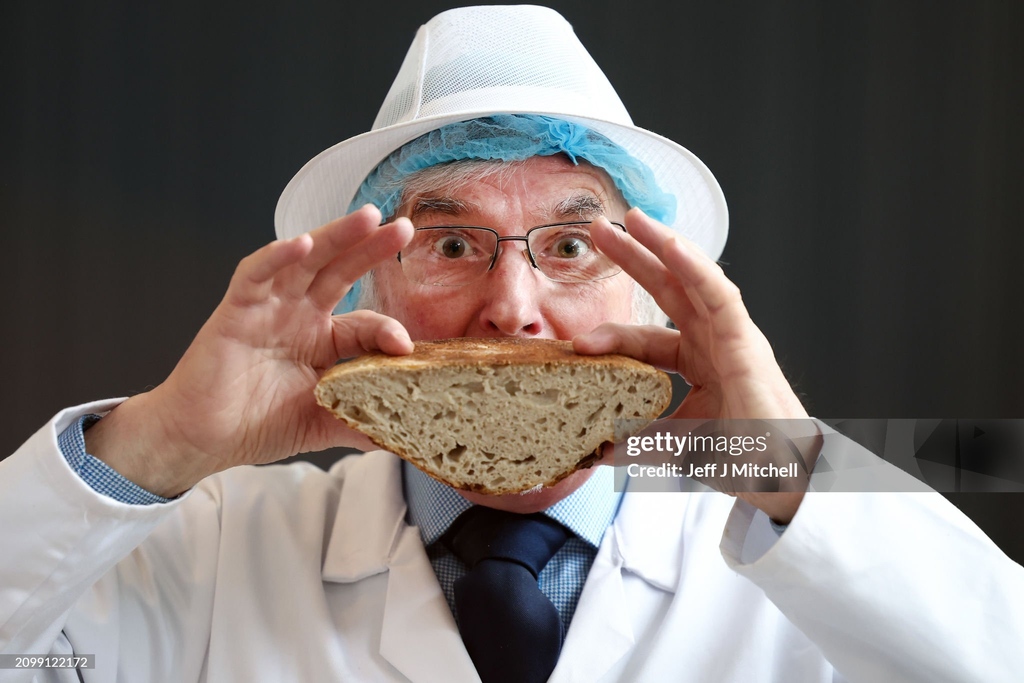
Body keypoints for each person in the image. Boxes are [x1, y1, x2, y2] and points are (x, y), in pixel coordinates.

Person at [1, 5, 1021, 682]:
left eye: (572, 243)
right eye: (450, 242)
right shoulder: (218, 548)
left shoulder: (797, 563)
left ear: (657, 293)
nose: (512, 308)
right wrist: (159, 444)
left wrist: (781, 463)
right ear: (369, 281)